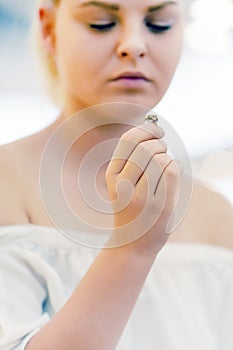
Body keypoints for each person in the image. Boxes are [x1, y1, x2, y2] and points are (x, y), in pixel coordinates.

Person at [0, 0, 233, 349]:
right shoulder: (9, 183)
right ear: (49, 29)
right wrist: (133, 248)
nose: (134, 45)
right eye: (101, 23)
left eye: (159, 24)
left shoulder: (216, 215)